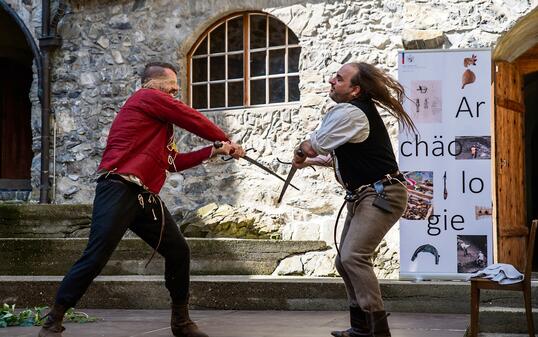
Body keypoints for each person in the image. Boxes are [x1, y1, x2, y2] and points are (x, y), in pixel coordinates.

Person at [38, 62, 244, 337]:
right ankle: (53, 321)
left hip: (144, 197)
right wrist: (225, 138)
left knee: (179, 251)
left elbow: (171, 162)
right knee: (96, 255)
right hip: (118, 187)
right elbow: (190, 117)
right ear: (152, 84)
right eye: (170, 88)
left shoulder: (158, 124)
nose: (173, 94)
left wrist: (214, 150)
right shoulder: (145, 98)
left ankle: (181, 323)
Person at [292, 62, 416, 337]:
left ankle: (378, 331)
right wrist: (311, 160)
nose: (331, 81)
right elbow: (338, 154)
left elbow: (314, 144)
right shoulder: (354, 113)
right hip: (367, 194)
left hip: (382, 193)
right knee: (343, 261)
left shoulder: (351, 112)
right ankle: (361, 327)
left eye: (339, 79)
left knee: (354, 256)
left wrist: (302, 150)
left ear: (355, 89)